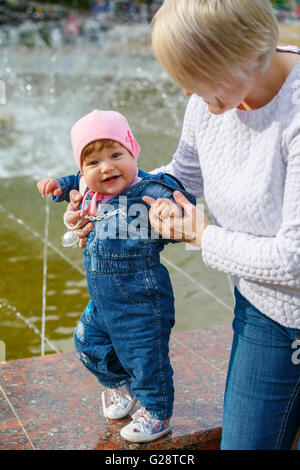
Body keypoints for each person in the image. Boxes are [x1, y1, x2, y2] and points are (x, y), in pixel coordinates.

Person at [65, 0, 300, 450]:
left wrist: (201, 236)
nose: (190, 96)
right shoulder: (211, 101)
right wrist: (106, 203)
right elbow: (180, 177)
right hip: (266, 311)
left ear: (243, 54)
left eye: (197, 80)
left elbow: (293, 260)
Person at [37, 109, 196, 443]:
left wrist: (171, 211)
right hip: (104, 297)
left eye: (115, 155)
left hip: (141, 298)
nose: (106, 167)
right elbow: (71, 182)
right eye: (92, 162)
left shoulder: (149, 190)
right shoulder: (87, 187)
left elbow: (182, 202)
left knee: (145, 357)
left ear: (132, 150)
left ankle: (156, 413)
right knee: (87, 343)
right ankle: (117, 386)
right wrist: (56, 187)